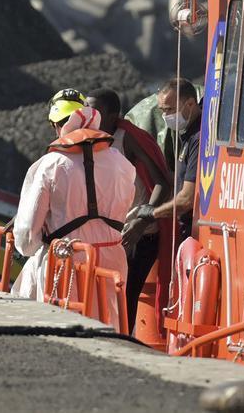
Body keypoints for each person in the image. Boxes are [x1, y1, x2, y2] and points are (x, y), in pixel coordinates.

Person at [12, 89, 135, 327]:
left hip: (65, 261)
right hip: (112, 260)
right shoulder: (121, 163)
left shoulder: (50, 164)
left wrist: (32, 245)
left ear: (57, 126)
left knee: (53, 324)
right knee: (110, 327)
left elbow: (27, 238)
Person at [87, 87, 173, 329]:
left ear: (114, 115)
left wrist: (141, 221)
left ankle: (123, 345)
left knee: (125, 295)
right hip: (108, 235)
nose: (89, 115)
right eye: (86, 109)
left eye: (96, 110)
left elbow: (162, 183)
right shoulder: (86, 138)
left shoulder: (128, 138)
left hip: (137, 235)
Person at [122, 78, 200, 259]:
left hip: (193, 229)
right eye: (162, 111)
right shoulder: (185, 134)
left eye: (170, 110)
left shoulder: (198, 137)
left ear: (190, 103)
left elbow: (186, 199)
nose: (166, 117)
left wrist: (151, 213)